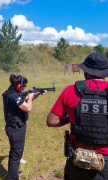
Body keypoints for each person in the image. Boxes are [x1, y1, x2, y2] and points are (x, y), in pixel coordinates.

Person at [46, 52, 108, 180]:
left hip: (78, 160)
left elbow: (51, 121)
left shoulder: (70, 90)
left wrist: (72, 115)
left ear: (85, 72)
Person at [2, 74, 47, 180]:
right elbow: (28, 108)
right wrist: (30, 96)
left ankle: (13, 173)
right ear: (18, 86)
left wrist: (38, 94)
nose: (24, 89)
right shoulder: (13, 96)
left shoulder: (12, 94)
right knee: (16, 153)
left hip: (16, 127)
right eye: (23, 87)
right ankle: (12, 178)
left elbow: (25, 100)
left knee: (16, 152)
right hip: (15, 128)